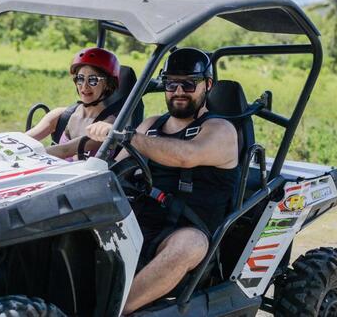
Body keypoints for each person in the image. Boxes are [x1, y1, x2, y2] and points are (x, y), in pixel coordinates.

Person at [86, 47, 239, 315]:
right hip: (138, 217)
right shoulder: (151, 124)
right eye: (171, 83)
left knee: (190, 246)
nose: (179, 91)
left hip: (186, 228)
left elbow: (185, 156)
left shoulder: (220, 130)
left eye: (189, 84)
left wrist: (128, 136)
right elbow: (115, 165)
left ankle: (115, 311)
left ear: (208, 85)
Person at [26, 47, 120, 160]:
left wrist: (27, 156)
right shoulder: (62, 114)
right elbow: (27, 138)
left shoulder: (107, 125)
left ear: (108, 84)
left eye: (93, 80)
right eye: (80, 79)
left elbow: (65, 150)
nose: (84, 86)